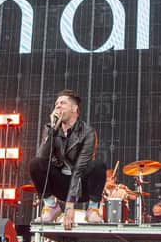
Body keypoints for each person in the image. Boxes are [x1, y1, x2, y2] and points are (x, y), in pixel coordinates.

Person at [29, 89, 106, 230]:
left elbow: (80, 168)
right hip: (60, 183)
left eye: (63, 103)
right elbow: (42, 158)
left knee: (98, 165)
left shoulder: (87, 132)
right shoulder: (50, 129)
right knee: (35, 163)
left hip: (81, 186)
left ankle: (93, 209)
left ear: (74, 109)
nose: (58, 106)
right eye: (56, 103)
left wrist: (70, 207)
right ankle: (51, 207)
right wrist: (52, 130)